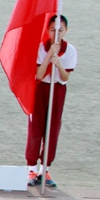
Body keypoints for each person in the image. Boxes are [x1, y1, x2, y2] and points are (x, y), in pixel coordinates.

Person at [27, 14, 75, 189]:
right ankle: (31, 169)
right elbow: (39, 75)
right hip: (41, 89)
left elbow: (65, 77)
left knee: (52, 129)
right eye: (53, 30)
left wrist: (59, 64)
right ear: (47, 30)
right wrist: (49, 56)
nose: (57, 33)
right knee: (36, 128)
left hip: (57, 90)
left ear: (66, 30)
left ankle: (45, 169)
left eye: (60, 30)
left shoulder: (70, 50)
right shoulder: (41, 48)